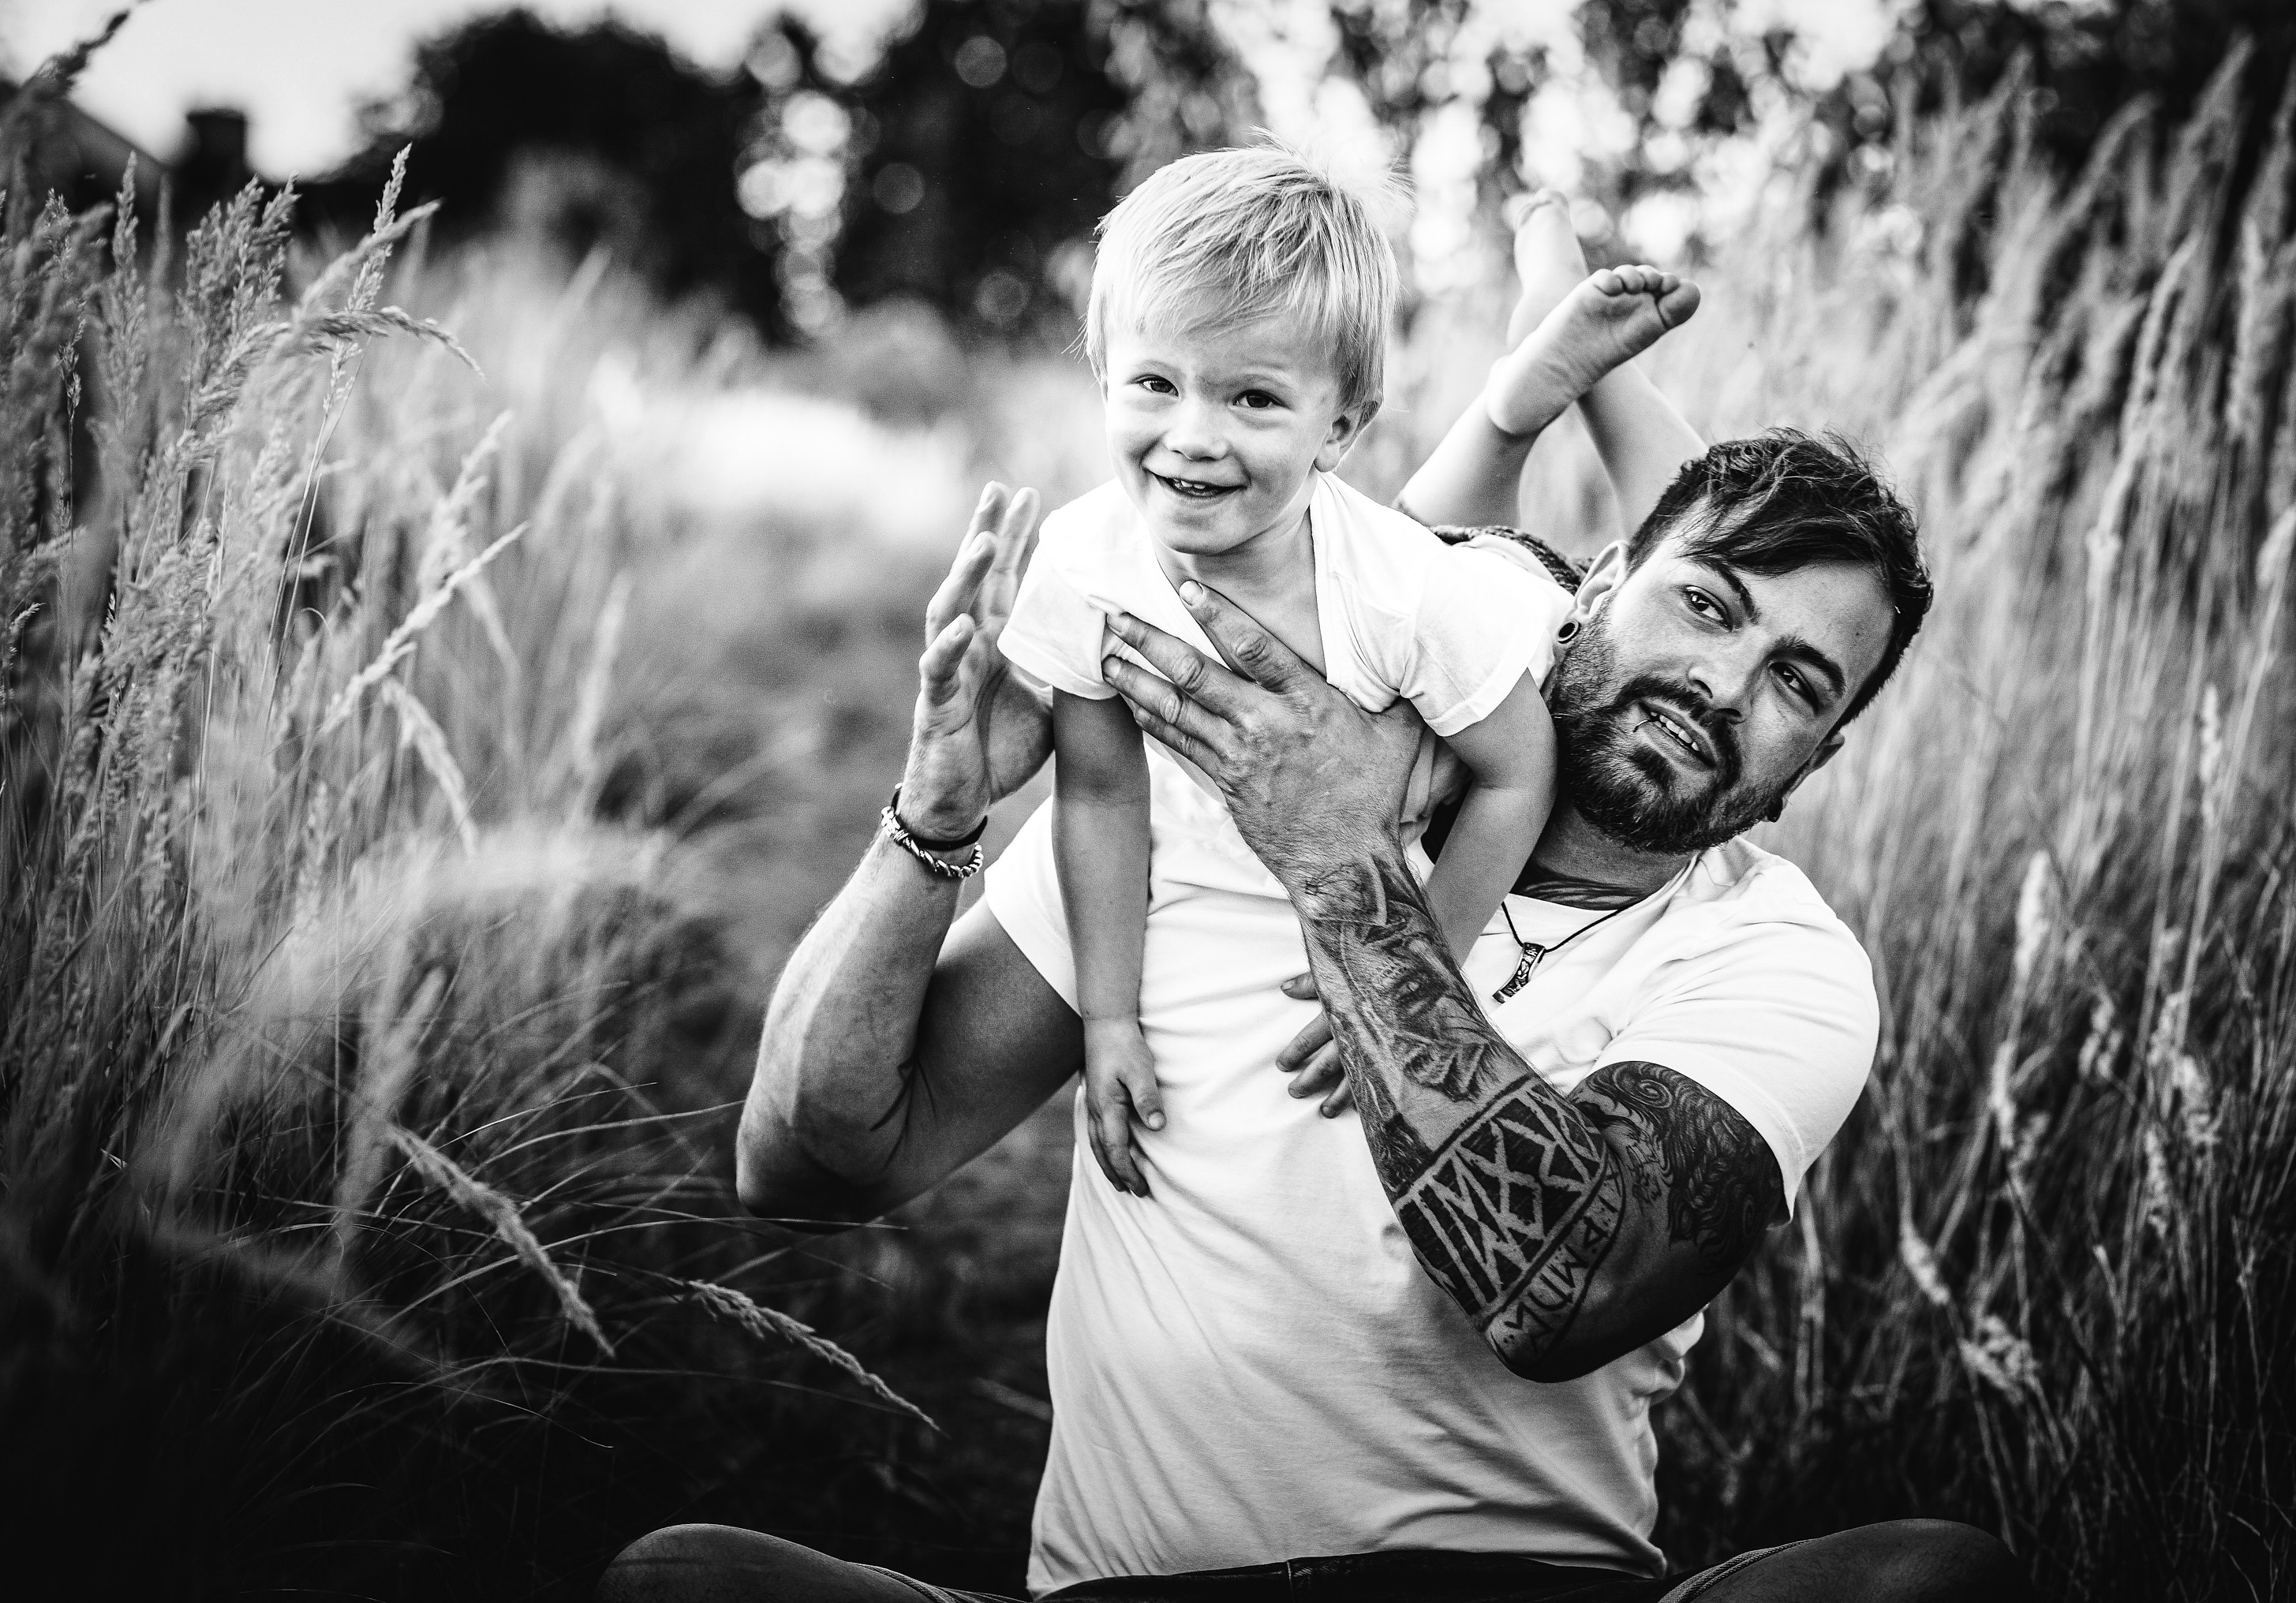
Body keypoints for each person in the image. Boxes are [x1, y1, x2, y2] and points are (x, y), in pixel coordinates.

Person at [600, 194, 2029, 1603]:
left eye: (1797, 684)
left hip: (1514, 1592)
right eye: (1706, 605)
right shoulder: (1216, 775)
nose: (1720, 685)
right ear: (1587, 590)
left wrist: (1346, 873)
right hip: (1142, 1594)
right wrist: (933, 819)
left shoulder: (1777, 961)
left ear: (1810, 768)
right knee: (683, 1584)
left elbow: (1563, 1292)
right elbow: (808, 1163)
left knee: (1933, 1583)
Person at [1000, 146, 1693, 1195]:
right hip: (1378, 578)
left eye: (1252, 399)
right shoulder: (1083, 562)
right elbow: (1098, 788)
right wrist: (1108, 1016)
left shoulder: (1409, 593)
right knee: (1391, 550)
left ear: (1341, 428)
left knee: (1705, 553)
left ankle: (1551, 370)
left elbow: (1519, 771)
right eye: (1154, 383)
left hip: (1525, 628)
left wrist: (1419, 982)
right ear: (1103, 374)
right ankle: (1521, 386)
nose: (1191, 437)